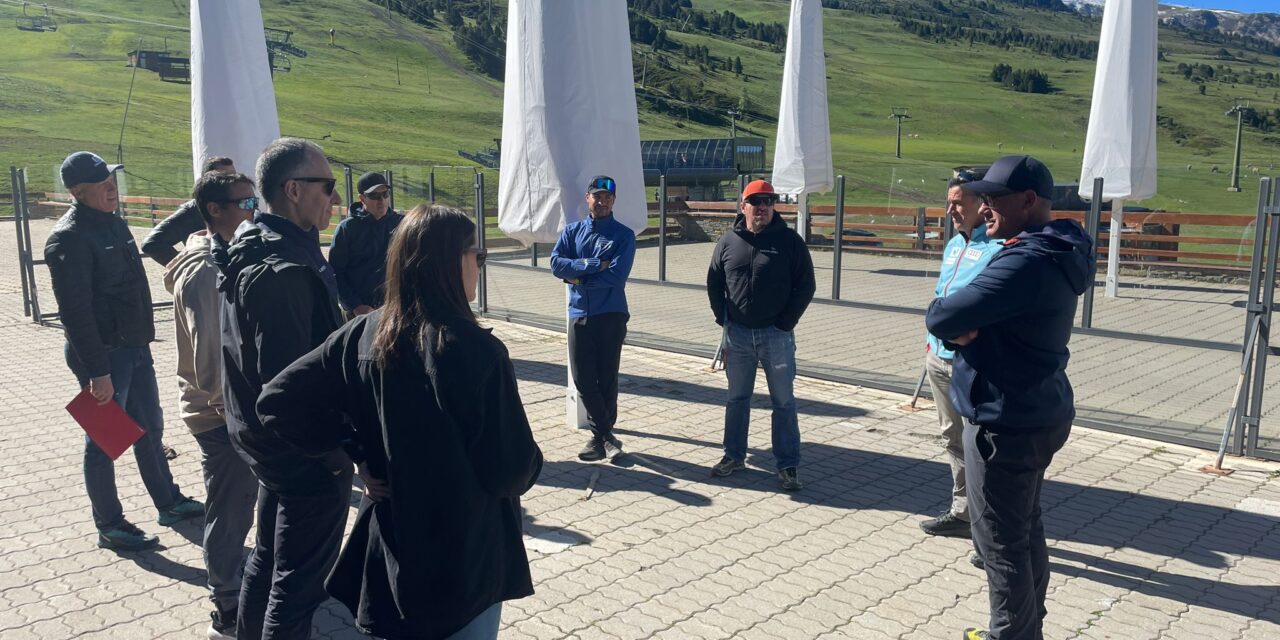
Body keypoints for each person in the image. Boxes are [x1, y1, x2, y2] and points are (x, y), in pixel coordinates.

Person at [258, 204, 543, 640]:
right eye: (477, 256)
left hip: (392, 551)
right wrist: (349, 455)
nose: (480, 267)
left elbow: (278, 400)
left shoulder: (362, 332)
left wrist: (350, 455)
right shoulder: (475, 351)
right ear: (450, 262)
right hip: (464, 560)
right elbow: (511, 471)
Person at [925, 155, 1094, 640]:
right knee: (1024, 530)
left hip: (1005, 420)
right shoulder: (1057, 247)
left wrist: (955, 319)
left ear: (1028, 201)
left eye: (995, 197)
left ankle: (1012, 635)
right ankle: (1025, 627)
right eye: (984, 196)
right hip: (1036, 409)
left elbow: (940, 316)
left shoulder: (1025, 259)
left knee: (998, 542)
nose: (985, 205)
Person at [214, 137, 361, 639]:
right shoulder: (284, 271)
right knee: (297, 589)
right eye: (327, 187)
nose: (335, 199)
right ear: (294, 189)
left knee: (271, 559)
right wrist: (336, 454)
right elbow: (289, 390)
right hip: (300, 455)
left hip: (267, 445)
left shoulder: (258, 243)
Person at [44, 151, 203, 551]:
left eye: (112, 180)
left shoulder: (112, 224)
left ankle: (168, 502)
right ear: (78, 192)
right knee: (105, 442)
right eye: (102, 184)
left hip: (133, 348)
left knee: (150, 428)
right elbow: (75, 314)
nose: (111, 188)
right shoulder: (69, 238)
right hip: (103, 357)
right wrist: (98, 373)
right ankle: (110, 524)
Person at [163, 171, 261, 639]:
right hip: (221, 416)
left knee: (243, 504)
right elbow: (210, 362)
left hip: (232, 411)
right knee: (231, 510)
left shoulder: (224, 255)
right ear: (214, 211)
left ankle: (248, 586)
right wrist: (239, 419)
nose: (253, 211)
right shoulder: (205, 270)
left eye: (255, 201)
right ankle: (226, 604)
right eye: (245, 203)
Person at [705, 179, 815, 491]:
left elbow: (806, 285)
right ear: (744, 206)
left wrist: (785, 323)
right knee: (737, 398)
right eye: (756, 202)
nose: (763, 207)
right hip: (738, 336)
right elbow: (714, 280)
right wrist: (722, 317)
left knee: (783, 401)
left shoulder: (790, 242)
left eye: (768, 202)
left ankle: (788, 464)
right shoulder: (728, 241)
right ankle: (733, 455)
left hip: (776, 337)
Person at [918, 167, 1003, 565]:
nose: (951, 209)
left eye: (958, 203)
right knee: (952, 438)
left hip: (972, 363)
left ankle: (990, 533)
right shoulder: (954, 244)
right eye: (949, 202)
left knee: (982, 448)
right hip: (938, 358)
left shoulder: (998, 247)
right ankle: (962, 512)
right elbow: (942, 293)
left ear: (981, 205)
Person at [550, 175, 637, 462]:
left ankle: (599, 437)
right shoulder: (572, 232)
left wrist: (575, 279)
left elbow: (616, 276)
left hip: (610, 314)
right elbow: (555, 264)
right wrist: (588, 265)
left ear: (614, 201)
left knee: (606, 377)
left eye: (607, 197)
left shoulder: (624, 235)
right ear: (587, 199)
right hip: (579, 314)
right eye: (596, 196)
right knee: (582, 377)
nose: (601, 201)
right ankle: (607, 436)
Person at [329, 171, 403, 316]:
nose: (381, 200)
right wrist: (355, 305)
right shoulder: (347, 229)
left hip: (395, 310)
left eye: (385, 194)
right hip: (359, 312)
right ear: (362, 198)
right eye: (374, 195)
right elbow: (335, 273)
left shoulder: (402, 224)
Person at [142, 156, 238, 265]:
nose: (232, 181)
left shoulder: (236, 204)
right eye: (225, 177)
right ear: (208, 179)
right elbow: (151, 244)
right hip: (207, 277)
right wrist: (186, 265)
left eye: (234, 176)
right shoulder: (192, 211)